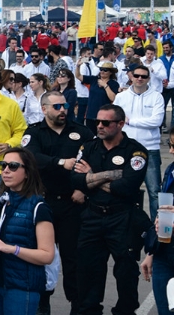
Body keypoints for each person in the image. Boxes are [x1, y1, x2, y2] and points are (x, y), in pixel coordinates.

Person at [72, 104, 150, 315]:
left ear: (120, 124)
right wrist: (110, 176)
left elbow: (127, 186)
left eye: (106, 123)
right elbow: (76, 180)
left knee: (126, 272)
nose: (100, 126)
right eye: (97, 121)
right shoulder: (89, 147)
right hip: (93, 215)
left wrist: (92, 176)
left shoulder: (135, 151)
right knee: (88, 270)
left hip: (122, 217)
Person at [21, 91, 91, 314]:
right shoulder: (34, 133)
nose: (63, 111)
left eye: (65, 106)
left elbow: (94, 160)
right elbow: (31, 158)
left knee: (74, 259)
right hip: (45, 203)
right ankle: (42, 304)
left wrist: (82, 188)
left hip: (73, 204)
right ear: (44, 109)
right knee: (42, 257)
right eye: (57, 107)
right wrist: (60, 162)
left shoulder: (81, 132)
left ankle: (77, 305)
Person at [0, 149, 56, 315]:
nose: (6, 170)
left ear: (27, 172)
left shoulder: (38, 207)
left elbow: (47, 255)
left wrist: (12, 249)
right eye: (3, 165)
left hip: (22, 286)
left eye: (13, 166)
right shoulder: (0, 203)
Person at [113, 63, 165, 220]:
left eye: (143, 76)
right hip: (126, 147)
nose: (140, 79)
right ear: (131, 77)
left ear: (149, 78)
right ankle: (123, 223)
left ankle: (157, 227)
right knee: (122, 188)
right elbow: (114, 119)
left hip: (150, 147)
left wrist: (130, 121)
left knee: (154, 191)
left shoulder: (157, 96)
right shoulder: (121, 97)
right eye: (136, 76)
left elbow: (156, 121)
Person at [140, 129, 174, 315]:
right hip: (164, 253)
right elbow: (164, 215)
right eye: (170, 145)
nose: (171, 151)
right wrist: (152, 251)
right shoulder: (171, 170)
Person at [74, 60, 119, 134]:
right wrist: (78, 66)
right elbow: (78, 76)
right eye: (101, 69)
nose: (102, 71)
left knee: (103, 135)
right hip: (90, 114)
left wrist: (105, 85)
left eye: (105, 70)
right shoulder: (94, 79)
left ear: (111, 72)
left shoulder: (113, 84)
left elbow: (113, 98)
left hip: (104, 115)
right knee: (90, 135)